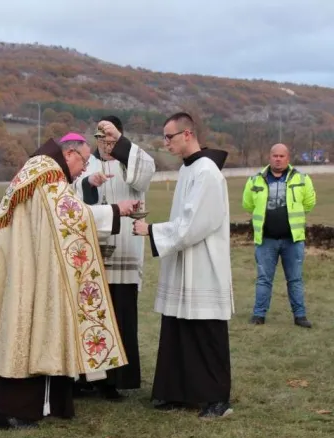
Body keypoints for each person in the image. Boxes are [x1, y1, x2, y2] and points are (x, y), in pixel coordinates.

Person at [0, 133, 140, 429]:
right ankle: (13, 408)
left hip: (20, 262)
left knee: (11, 329)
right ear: (70, 154)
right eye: (84, 161)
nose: (84, 169)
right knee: (24, 330)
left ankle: (3, 405)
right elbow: (73, 217)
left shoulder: (36, 168)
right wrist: (115, 210)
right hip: (29, 268)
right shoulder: (49, 175)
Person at [133, 112, 234, 418]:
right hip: (183, 261)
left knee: (205, 331)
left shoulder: (207, 173)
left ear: (188, 134)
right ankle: (176, 391)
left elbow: (194, 224)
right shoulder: (189, 170)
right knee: (178, 326)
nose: (166, 143)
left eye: (170, 137)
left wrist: (152, 230)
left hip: (203, 262)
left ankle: (216, 398)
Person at [73, 116, 155, 399]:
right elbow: (72, 198)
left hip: (124, 249)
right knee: (91, 314)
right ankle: (87, 378)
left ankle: (115, 380)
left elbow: (145, 172)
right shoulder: (88, 164)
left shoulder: (130, 160)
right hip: (92, 252)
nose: (105, 144)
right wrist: (89, 184)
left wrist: (120, 142)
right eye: (101, 137)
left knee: (121, 316)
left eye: (110, 138)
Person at [242, 143, 316, 328]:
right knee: (264, 279)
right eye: (275, 155)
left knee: (295, 279)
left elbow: (309, 203)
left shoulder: (302, 179)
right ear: (269, 157)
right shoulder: (255, 180)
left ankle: (300, 316)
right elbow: (247, 204)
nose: (278, 159)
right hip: (266, 240)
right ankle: (259, 315)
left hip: (293, 240)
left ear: (288, 158)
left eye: (282, 156)